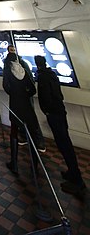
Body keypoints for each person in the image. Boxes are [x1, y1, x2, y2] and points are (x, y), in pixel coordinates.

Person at [34, 55, 86, 195]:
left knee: (64, 145)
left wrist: (47, 111)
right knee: (65, 143)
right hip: (60, 111)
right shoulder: (51, 74)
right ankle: (72, 172)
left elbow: (45, 96)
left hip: (54, 113)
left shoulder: (43, 77)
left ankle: (77, 180)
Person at [3, 48, 40, 175]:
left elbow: (6, 86)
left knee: (14, 132)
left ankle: (14, 163)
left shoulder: (8, 70)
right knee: (32, 134)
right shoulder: (23, 70)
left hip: (15, 106)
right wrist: (25, 94)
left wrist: (14, 94)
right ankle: (34, 166)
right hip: (26, 106)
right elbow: (32, 90)